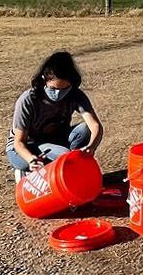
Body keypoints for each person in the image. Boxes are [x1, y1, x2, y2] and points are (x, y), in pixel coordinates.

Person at [7, 51, 103, 182]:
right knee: (63, 155)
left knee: (84, 130)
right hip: (26, 147)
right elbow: (19, 142)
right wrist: (31, 159)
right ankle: (32, 169)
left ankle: (70, 165)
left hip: (56, 141)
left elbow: (95, 126)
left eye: (64, 89)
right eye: (53, 89)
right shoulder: (28, 100)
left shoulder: (75, 95)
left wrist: (91, 147)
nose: (58, 94)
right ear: (44, 80)